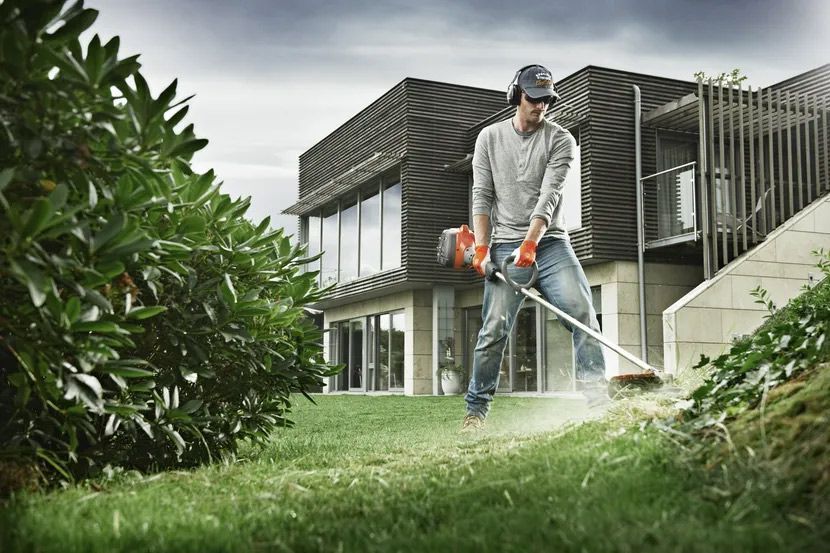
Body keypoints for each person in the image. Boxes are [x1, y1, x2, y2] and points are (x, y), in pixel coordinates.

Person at [462, 64, 606, 431]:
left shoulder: (561, 140)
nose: (541, 106)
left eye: (547, 100)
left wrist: (532, 242)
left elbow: (550, 195)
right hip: (504, 243)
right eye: (534, 99)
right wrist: (482, 249)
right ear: (516, 96)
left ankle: (599, 403)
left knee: (583, 316)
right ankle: (475, 412)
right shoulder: (488, 139)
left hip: (551, 242)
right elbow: (481, 196)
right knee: (493, 329)